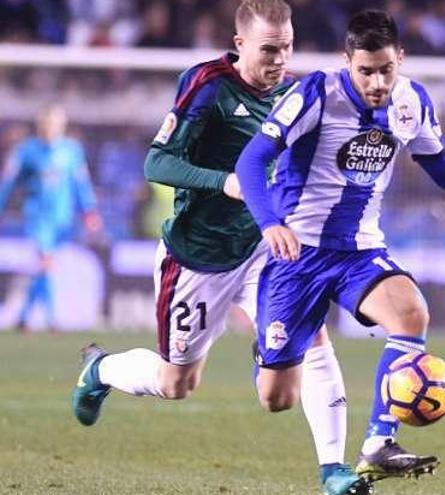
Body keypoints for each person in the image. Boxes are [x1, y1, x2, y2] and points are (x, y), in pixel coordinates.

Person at [235, 9, 445, 483]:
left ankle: (377, 443)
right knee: (276, 397)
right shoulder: (314, 95)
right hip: (296, 254)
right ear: (348, 62)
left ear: (400, 59)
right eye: (366, 71)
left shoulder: (412, 102)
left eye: (387, 69)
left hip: (359, 249)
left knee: (411, 313)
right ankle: (279, 343)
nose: (378, 81)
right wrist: (269, 223)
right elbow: (252, 160)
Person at [70, 2, 371, 494]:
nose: (280, 59)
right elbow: (157, 163)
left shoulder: (296, 93)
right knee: (176, 385)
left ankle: (334, 471)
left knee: (297, 372)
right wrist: (224, 181)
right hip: (198, 254)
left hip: (265, 247)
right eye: (269, 49)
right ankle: (100, 368)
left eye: (287, 48)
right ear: (240, 45)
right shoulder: (209, 85)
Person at [0, 105, 101, 333]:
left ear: (61, 126)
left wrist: (90, 211)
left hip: (62, 219)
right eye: (46, 125)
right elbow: (8, 182)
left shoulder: (72, 150)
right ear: (39, 126)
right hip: (37, 217)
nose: (50, 129)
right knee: (46, 263)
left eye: (55, 125)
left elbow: (81, 183)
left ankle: (24, 317)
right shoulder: (26, 151)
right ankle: (51, 319)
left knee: (45, 268)